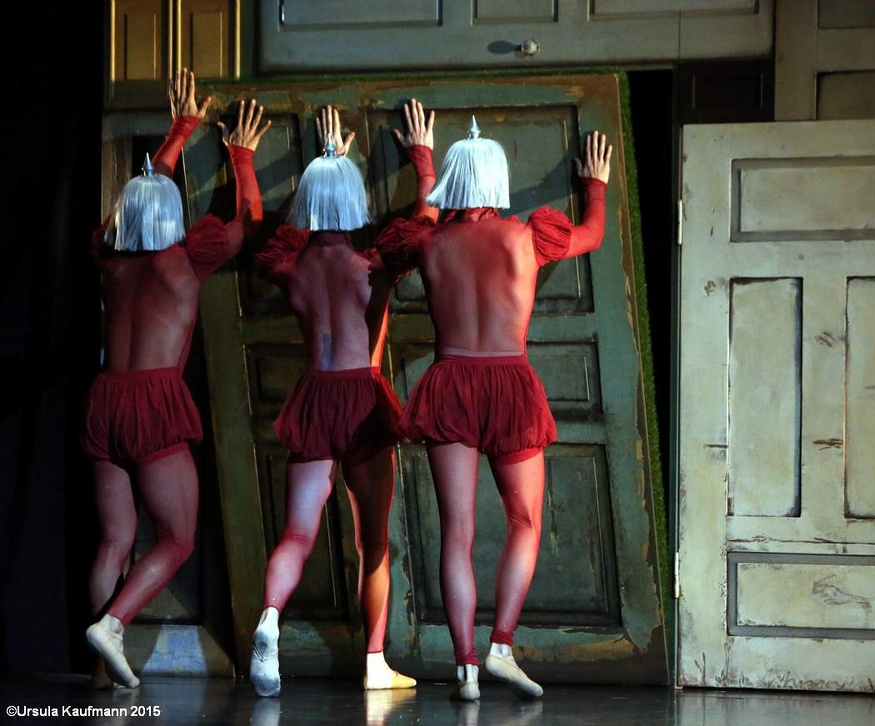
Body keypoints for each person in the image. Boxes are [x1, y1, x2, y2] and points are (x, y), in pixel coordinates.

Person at [376, 108, 614, 701]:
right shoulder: (528, 236)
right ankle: (501, 647)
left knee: (456, 532)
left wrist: (423, 163)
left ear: (456, 180)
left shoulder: (428, 241)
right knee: (524, 521)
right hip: (509, 384)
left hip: (451, 383)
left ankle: (465, 669)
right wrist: (595, 186)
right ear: (498, 179)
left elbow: (413, 227)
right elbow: (592, 235)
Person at [82, 68, 271, 689]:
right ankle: (113, 626)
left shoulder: (109, 259)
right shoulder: (187, 261)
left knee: (115, 541)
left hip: (105, 397)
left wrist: (179, 131)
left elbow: (140, 199)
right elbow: (251, 220)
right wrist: (241, 155)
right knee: (177, 539)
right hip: (154, 401)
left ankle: (100, 672)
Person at [248, 100, 437, 697]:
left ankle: (269, 618)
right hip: (361, 399)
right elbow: (426, 227)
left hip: (313, 394)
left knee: (296, 534)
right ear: (354, 199)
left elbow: (271, 231)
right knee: (372, 541)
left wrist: (324, 164)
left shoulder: (292, 266)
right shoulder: (373, 267)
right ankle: (375, 662)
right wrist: (422, 160)